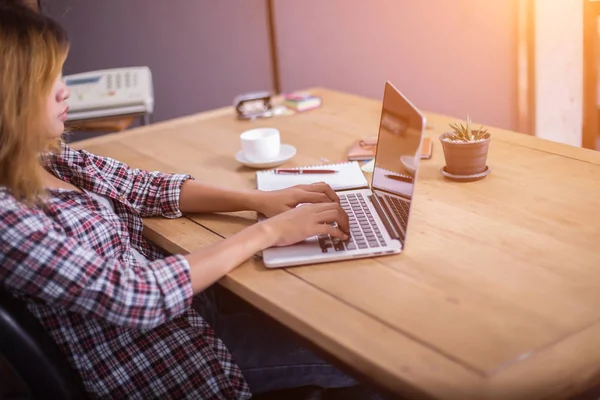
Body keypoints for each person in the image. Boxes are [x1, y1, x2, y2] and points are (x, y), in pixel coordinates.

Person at [0, 2, 387, 399]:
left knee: (346, 302)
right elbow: (136, 295)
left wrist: (259, 199)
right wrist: (268, 231)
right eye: (49, 80)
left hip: (189, 314)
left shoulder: (50, 159)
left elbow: (146, 186)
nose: (66, 89)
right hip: (164, 361)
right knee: (366, 352)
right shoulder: (8, 220)